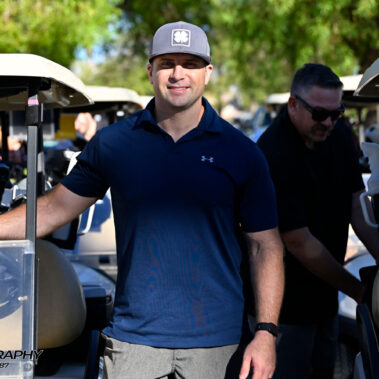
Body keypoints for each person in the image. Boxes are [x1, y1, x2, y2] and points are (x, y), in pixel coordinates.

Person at [0, 21, 284, 379]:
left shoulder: (242, 152)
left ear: (208, 73)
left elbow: (266, 248)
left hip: (218, 346)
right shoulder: (114, 144)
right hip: (134, 343)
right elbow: (54, 209)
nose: (178, 73)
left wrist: (266, 333)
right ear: (150, 71)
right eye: (167, 63)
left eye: (190, 63)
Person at [257, 63, 379, 379]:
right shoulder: (273, 152)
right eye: (319, 114)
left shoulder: (338, 134)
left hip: (326, 298)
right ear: (293, 105)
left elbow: (356, 203)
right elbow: (298, 240)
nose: (328, 122)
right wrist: (360, 291)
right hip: (284, 309)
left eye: (336, 113)